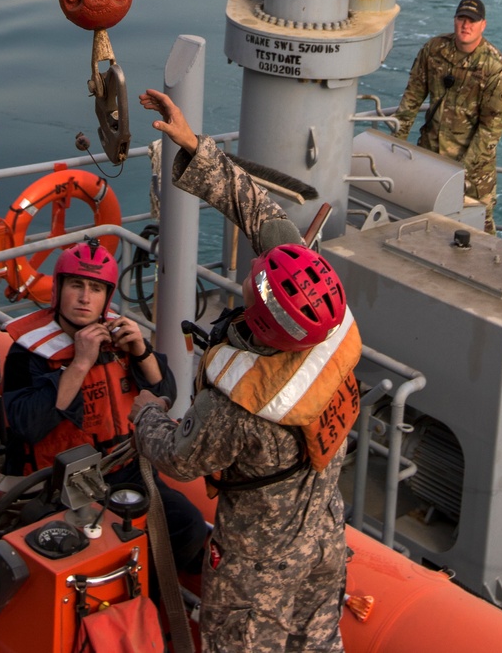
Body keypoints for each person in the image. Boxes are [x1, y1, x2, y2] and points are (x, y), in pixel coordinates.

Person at [130, 89, 362, 653]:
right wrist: (194, 146)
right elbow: (262, 214)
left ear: (259, 312)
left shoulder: (236, 406)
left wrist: (147, 418)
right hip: (325, 539)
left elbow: (182, 459)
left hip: (259, 571)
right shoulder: (324, 325)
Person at [2, 238, 207, 573]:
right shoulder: (28, 352)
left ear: (106, 297)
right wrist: (80, 364)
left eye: (95, 288)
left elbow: (164, 396)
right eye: (77, 285)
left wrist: (142, 351)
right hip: (60, 485)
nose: (85, 297)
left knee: (189, 527)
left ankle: (149, 597)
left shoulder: (120, 339)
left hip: (125, 470)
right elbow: (27, 424)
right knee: (85, 560)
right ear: (59, 289)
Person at [394, 0, 502, 233]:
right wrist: (395, 146)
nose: (466, 25)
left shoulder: (495, 68)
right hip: (432, 156)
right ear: (454, 20)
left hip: (473, 171)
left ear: (483, 25)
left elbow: (490, 130)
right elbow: (412, 98)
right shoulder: (434, 50)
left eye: (472, 20)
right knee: (424, 222)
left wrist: (461, 173)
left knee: (479, 232)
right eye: (462, 18)